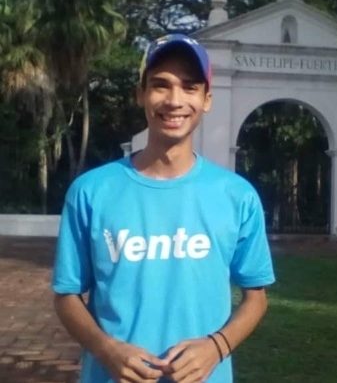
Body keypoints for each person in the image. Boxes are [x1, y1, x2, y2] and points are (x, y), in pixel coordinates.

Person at [51, 33, 275, 383]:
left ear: (206, 99)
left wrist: (216, 347)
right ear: (140, 94)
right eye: (160, 85)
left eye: (189, 87)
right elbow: (66, 295)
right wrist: (107, 350)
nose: (174, 100)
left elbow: (256, 298)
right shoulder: (91, 192)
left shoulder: (237, 196)